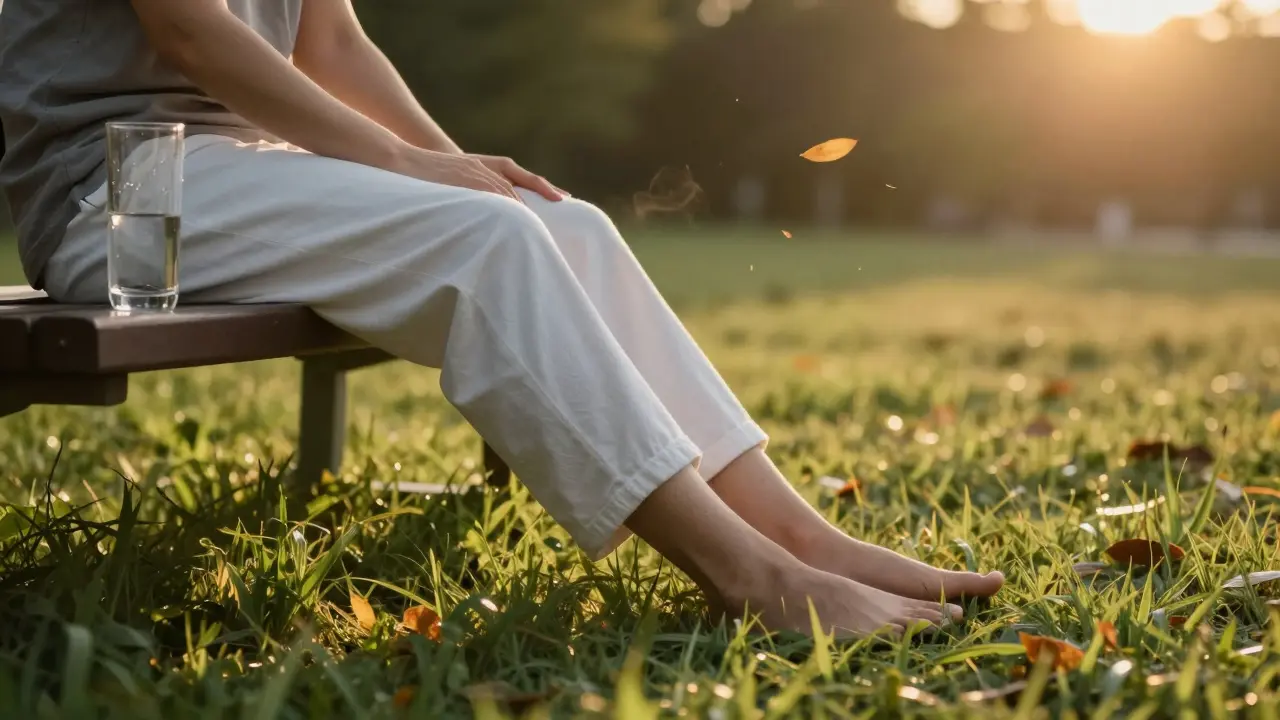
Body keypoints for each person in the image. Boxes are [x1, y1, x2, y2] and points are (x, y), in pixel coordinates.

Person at [0, 0, 1003, 637]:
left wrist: (467, 176)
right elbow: (187, 31)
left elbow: (332, 38)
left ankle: (799, 537)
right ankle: (746, 575)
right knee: (492, 245)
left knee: (561, 227)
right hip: (115, 186)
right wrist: (411, 173)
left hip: (247, 168)